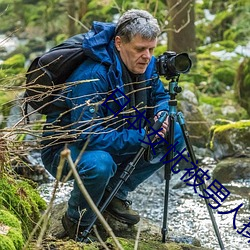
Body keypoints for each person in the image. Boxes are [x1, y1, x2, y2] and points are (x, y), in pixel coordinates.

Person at [41, 9, 185, 241]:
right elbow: (87, 135)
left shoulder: (145, 64)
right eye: (140, 49)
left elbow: (159, 96)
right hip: (66, 150)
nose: (147, 56)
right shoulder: (92, 75)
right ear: (119, 43)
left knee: (175, 133)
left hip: (116, 135)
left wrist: (161, 114)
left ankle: (115, 193)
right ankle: (76, 221)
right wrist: (143, 136)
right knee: (100, 164)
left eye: (151, 49)